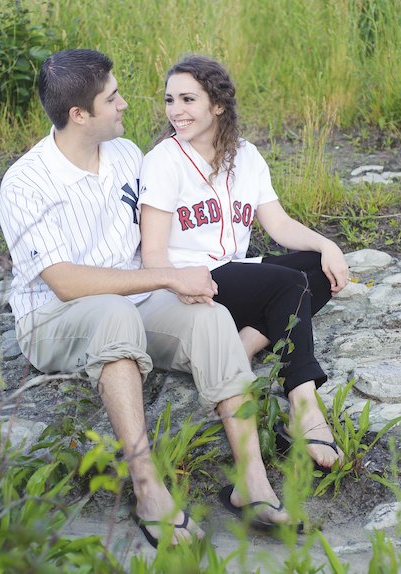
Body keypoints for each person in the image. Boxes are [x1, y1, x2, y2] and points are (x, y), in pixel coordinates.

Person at [0, 49, 293, 547]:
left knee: (210, 317)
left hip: (135, 302)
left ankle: (253, 483)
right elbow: (64, 282)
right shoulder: (26, 182)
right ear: (79, 114)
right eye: (112, 98)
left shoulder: (126, 155)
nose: (125, 104)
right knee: (114, 313)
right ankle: (148, 490)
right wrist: (167, 278)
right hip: (53, 318)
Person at [139, 55, 350, 478]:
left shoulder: (247, 156)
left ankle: (244, 345)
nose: (176, 110)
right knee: (289, 284)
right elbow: (153, 253)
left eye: (188, 99)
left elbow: (279, 224)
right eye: (170, 100)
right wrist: (179, 284)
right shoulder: (164, 160)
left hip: (238, 272)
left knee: (317, 270)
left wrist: (327, 245)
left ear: (218, 105)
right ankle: (304, 406)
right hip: (196, 281)